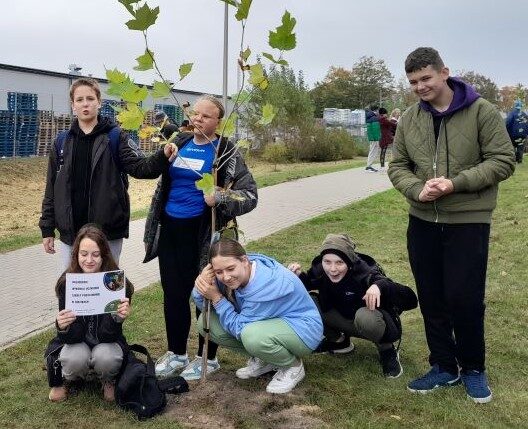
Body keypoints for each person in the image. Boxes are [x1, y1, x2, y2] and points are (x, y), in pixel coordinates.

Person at [388, 47, 515, 403]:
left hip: (468, 220)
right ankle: (444, 366)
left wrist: (454, 183)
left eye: (425, 78)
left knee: (465, 297)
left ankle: (473, 368)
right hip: (422, 220)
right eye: (413, 82)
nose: (420, 87)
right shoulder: (411, 118)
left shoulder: (482, 111)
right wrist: (417, 189)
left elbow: (503, 160)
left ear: (445, 72)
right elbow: (397, 165)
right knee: (432, 296)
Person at [144, 95, 258, 381]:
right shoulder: (180, 143)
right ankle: (176, 353)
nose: (197, 120)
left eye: (205, 117)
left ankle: (208, 357)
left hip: (204, 232)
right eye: (195, 114)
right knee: (173, 293)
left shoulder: (226, 152)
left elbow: (250, 196)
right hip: (171, 229)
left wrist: (220, 197)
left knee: (205, 294)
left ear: (218, 122)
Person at [39, 78, 177, 269]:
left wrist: (163, 155)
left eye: (90, 98)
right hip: (70, 235)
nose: (85, 103)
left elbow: (141, 167)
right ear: (73, 105)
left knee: (107, 290)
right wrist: (47, 228)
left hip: (107, 233)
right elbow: (51, 188)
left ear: (99, 102)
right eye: (79, 100)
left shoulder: (115, 137)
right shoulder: (61, 142)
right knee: (73, 291)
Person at [192, 238, 323, 394]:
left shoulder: (265, 284)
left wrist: (217, 298)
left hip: (303, 330)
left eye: (230, 269)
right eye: (219, 272)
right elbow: (205, 307)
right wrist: (202, 285)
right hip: (270, 323)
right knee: (206, 322)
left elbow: (239, 328)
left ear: (245, 260)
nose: (226, 277)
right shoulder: (233, 274)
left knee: (251, 336)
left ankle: (292, 366)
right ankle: (267, 359)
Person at [288, 233, 417, 378]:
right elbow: (308, 284)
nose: (332, 269)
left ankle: (386, 349)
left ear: (349, 262)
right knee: (308, 301)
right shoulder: (320, 269)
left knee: (365, 316)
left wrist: (379, 286)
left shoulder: (366, 272)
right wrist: (297, 276)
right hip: (343, 318)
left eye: (339, 263)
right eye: (327, 261)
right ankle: (339, 342)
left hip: (369, 322)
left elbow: (411, 300)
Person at [44, 224, 133, 402]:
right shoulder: (67, 284)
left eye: (95, 254)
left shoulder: (116, 283)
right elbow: (71, 338)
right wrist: (62, 326)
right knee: (74, 357)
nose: (89, 260)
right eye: (84, 254)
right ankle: (70, 378)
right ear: (76, 255)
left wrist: (117, 318)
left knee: (106, 356)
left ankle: (108, 379)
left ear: (104, 255)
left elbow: (108, 336)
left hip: (105, 342)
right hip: (78, 343)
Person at [365, 105, 381, 172]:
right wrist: (377, 138)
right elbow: (375, 129)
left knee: (372, 151)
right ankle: (369, 166)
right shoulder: (374, 118)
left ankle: (369, 165)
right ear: (376, 110)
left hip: (372, 137)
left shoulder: (369, 117)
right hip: (374, 138)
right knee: (373, 151)